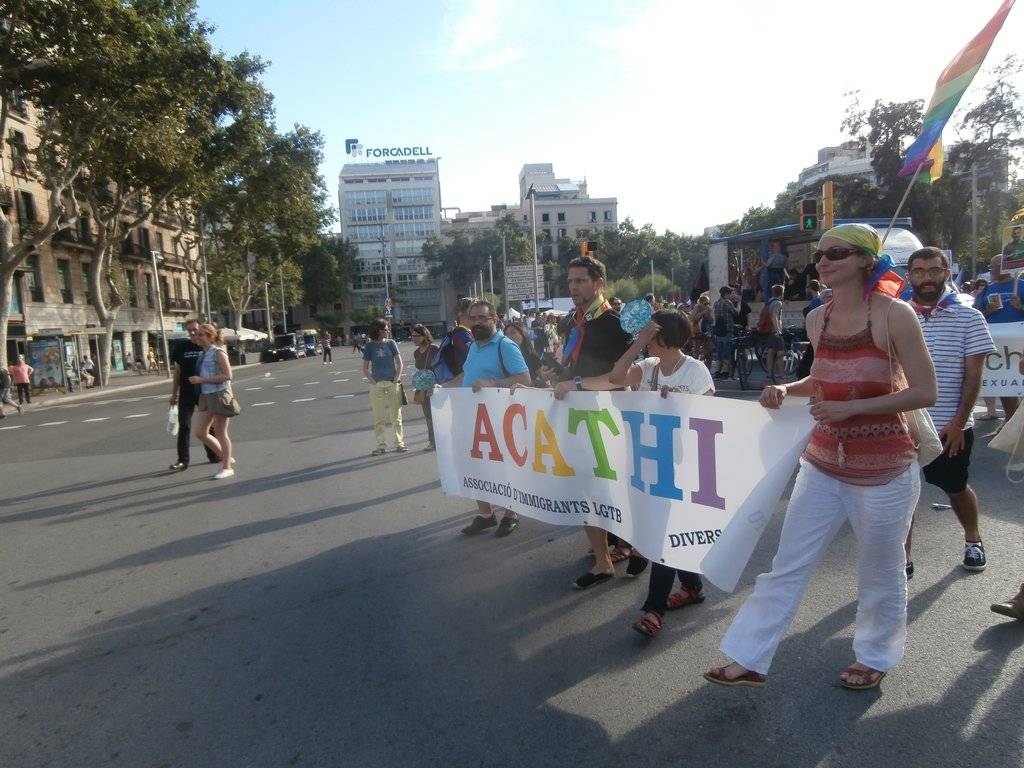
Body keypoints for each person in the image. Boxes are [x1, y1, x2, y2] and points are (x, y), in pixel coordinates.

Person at [704, 223, 936, 691]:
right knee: (786, 563)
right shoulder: (818, 318)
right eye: (822, 253)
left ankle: (875, 656)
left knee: (880, 567)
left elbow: (924, 391)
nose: (824, 260)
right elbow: (821, 379)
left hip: (886, 466)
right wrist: (786, 389)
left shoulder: (894, 315)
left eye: (838, 253)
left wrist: (853, 407)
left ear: (866, 261)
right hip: (823, 459)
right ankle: (748, 657)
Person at [607, 312, 715, 636]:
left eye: (648, 333)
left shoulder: (695, 371)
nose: (645, 338)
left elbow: (711, 417)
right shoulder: (650, 368)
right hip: (650, 464)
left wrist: (683, 403)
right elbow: (616, 377)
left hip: (683, 467)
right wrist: (637, 344)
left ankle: (653, 609)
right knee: (668, 531)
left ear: (662, 335)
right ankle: (693, 586)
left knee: (664, 536)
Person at [542, 255, 634, 589]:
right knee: (587, 487)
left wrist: (575, 384)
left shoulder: (613, 322)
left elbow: (622, 377)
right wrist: (559, 374)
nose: (573, 287)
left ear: (598, 284)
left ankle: (611, 553)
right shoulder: (576, 322)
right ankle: (604, 554)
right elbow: (577, 367)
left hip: (608, 417)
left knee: (604, 488)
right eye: (570, 281)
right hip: (579, 416)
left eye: (580, 280)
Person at [903, 247, 995, 577]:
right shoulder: (897, 316)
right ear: (909, 276)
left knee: (956, 488)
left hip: (948, 427)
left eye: (933, 270)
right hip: (903, 426)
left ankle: (973, 539)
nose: (926, 277)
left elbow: (974, 375)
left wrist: (958, 421)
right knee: (902, 496)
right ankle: (904, 559)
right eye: (918, 271)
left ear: (946, 273)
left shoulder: (970, 317)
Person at [449, 300, 531, 536]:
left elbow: (525, 379)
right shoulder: (474, 345)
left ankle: (511, 513)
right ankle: (486, 515)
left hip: (499, 418)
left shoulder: (505, 345)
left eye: (482, 318)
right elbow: (467, 374)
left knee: (503, 469)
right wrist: (441, 386)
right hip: (473, 417)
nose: (477, 323)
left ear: (494, 319)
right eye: (473, 318)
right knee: (475, 467)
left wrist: (491, 384)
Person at [974, 255, 1023, 425]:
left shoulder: (1022, 286)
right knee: (1005, 382)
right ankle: (1010, 421)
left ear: (1006, 267)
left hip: (1019, 344)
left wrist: (1021, 307)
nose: (991, 270)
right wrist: (987, 310)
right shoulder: (988, 289)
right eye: (991, 266)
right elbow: (976, 313)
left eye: (994, 266)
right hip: (999, 344)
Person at [168, 319, 219, 471]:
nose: (193, 332)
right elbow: (177, 372)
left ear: (201, 329)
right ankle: (182, 460)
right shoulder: (181, 348)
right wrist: (173, 394)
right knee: (184, 425)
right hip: (186, 392)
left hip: (204, 392)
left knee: (208, 426)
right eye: (189, 330)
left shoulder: (207, 348)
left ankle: (214, 454)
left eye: (195, 329)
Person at [189, 323, 236, 480]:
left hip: (219, 394)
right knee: (200, 432)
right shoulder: (203, 354)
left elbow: (228, 375)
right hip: (206, 395)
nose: (197, 337)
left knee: (221, 432)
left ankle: (226, 466)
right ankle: (226, 457)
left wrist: (202, 379)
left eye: (201, 334)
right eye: (197, 334)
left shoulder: (218, 352)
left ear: (210, 336)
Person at [363, 317, 406, 455]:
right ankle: (381, 446)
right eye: (386, 329)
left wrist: (396, 379)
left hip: (392, 383)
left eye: (388, 329)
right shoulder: (369, 346)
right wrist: (372, 381)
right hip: (377, 385)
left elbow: (400, 363)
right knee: (378, 417)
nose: (388, 331)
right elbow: (364, 367)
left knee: (396, 416)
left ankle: (400, 443)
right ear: (378, 330)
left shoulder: (391, 343)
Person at [411, 324, 439, 451]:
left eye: (417, 336)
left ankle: (441, 440)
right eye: (412, 336)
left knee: (439, 415)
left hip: (436, 386)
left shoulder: (434, 349)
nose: (414, 338)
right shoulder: (416, 353)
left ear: (424, 336)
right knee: (428, 416)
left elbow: (441, 367)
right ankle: (432, 442)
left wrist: (438, 384)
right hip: (422, 387)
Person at [502, 321, 544, 386]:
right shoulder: (503, 356)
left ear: (523, 334)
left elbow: (544, 380)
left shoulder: (532, 356)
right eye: (506, 334)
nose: (508, 337)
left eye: (512, 332)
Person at [761, 283, 786, 384]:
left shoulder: (769, 301)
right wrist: (778, 330)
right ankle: (782, 375)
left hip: (768, 331)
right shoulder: (777, 303)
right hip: (774, 331)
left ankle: (769, 375)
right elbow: (774, 316)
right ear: (782, 293)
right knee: (780, 352)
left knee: (771, 352)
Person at [712, 286, 738, 379]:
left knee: (720, 352)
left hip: (719, 330)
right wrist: (737, 304)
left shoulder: (716, 303)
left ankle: (718, 371)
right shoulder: (727, 302)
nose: (731, 295)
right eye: (730, 293)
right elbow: (735, 313)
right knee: (727, 351)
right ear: (726, 294)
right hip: (727, 330)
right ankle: (725, 371)